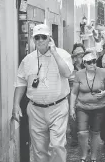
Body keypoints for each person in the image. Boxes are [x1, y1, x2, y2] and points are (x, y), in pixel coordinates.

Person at [12, 24, 73, 162]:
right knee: (39, 149)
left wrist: (55, 53)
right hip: (35, 109)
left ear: (49, 38)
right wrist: (15, 105)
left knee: (57, 145)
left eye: (43, 37)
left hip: (58, 107)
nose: (40, 40)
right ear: (33, 40)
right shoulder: (28, 60)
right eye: (37, 37)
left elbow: (67, 73)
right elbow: (21, 82)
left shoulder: (63, 55)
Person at [69, 51, 105, 162]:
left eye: (94, 61)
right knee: (82, 132)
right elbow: (74, 92)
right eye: (89, 62)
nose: (92, 64)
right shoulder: (79, 74)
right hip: (82, 106)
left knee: (95, 132)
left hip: (99, 107)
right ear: (84, 64)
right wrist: (71, 108)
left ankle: (93, 157)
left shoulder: (102, 72)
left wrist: (104, 93)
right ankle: (83, 156)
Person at [69, 43, 86, 146]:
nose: (81, 56)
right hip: (73, 97)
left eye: (82, 54)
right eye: (78, 54)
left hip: (85, 96)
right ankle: (75, 137)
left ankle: (85, 138)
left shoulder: (88, 66)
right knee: (73, 119)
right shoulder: (70, 67)